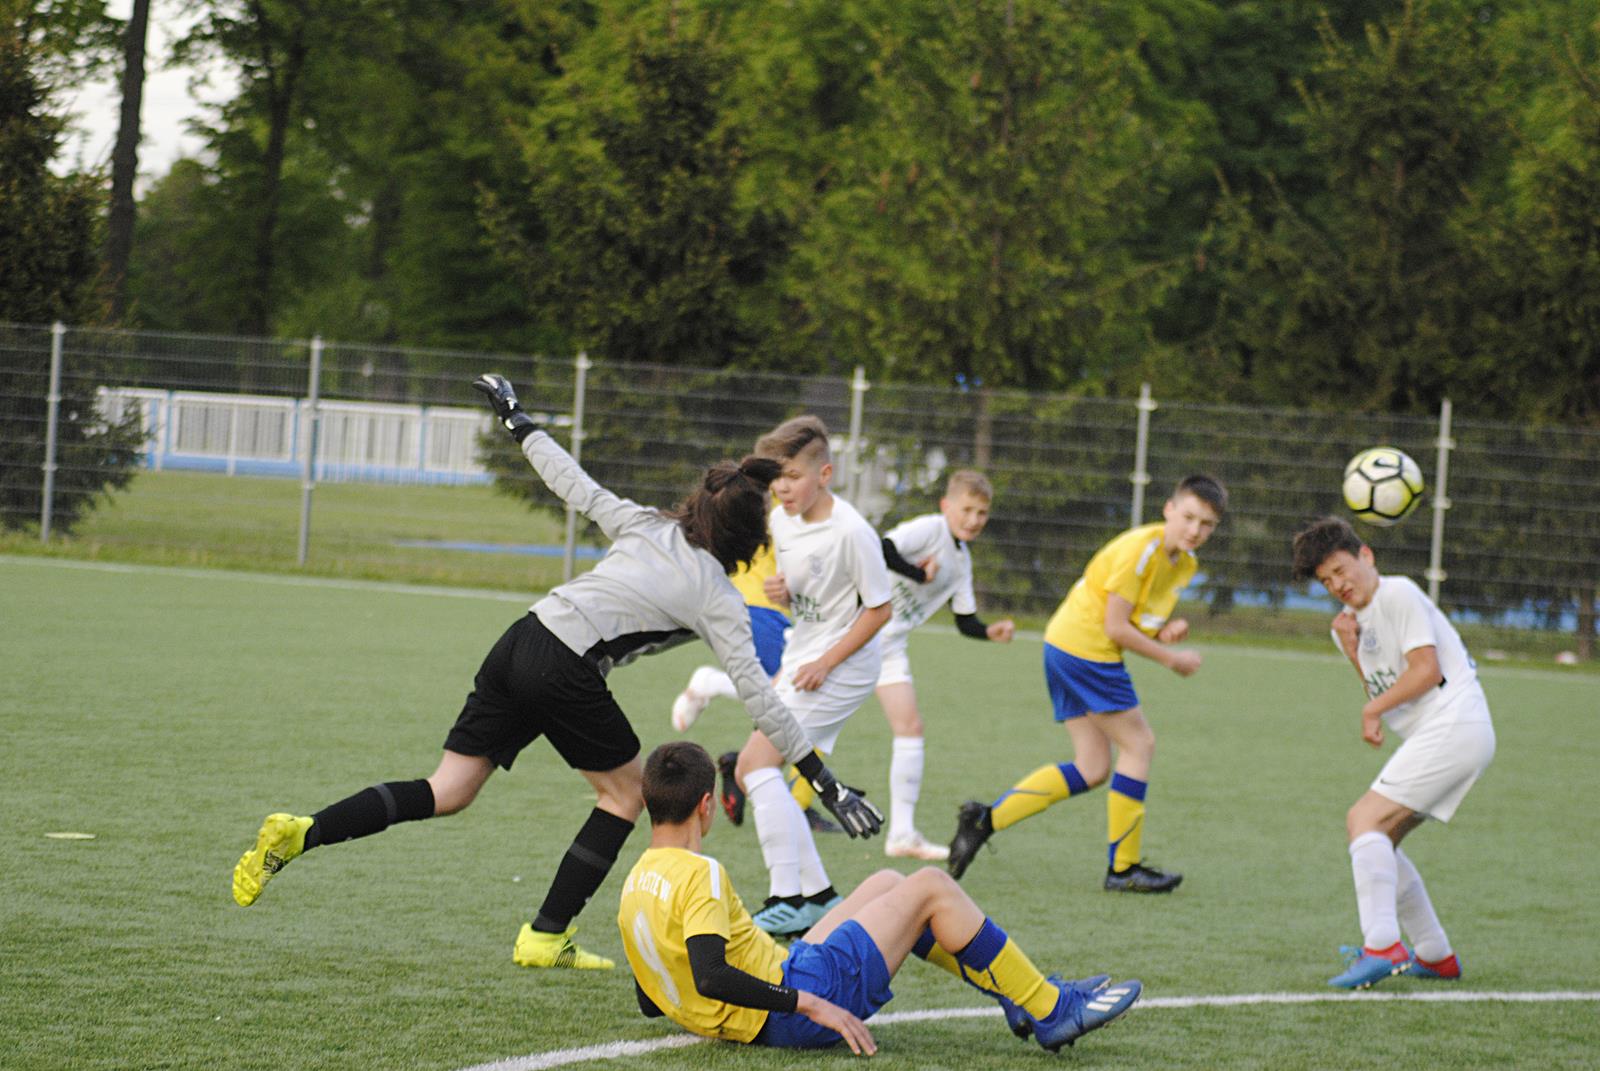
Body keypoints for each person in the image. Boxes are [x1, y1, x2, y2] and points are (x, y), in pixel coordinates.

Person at [230, 374, 881, 971]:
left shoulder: (645, 522)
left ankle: (305, 830)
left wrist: (518, 419)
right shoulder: (715, 593)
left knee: (449, 788)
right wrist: (827, 783)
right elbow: (762, 700)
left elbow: (572, 482)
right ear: (745, 535)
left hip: (521, 638)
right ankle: (545, 934)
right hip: (565, 665)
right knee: (627, 794)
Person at [617, 741, 1142, 1054]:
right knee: (932, 886)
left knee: (888, 883)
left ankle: (1017, 995)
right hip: (791, 1005)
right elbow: (711, 975)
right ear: (707, 806)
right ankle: (1050, 1009)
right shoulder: (699, 873)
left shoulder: (637, 880)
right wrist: (810, 1004)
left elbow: (649, 999)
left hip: (780, 980)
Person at [948, 475, 1228, 893]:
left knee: (1093, 767)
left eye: (1206, 524)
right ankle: (1124, 868)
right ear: (1169, 509)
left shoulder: (1182, 563)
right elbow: (1116, 627)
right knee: (1140, 745)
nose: (1195, 530)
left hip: (1065, 645)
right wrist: (1171, 659)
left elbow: (1135, 621)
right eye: (1188, 517)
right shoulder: (1141, 549)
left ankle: (984, 820)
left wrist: (1165, 632)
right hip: (1086, 650)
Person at [1291, 516, 1495, 989]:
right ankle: (1435, 953)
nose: (1337, 585)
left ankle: (1382, 945)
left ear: (1366, 556)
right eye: (1326, 581)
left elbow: (1425, 671)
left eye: (1341, 570)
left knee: (1362, 821)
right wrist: (1354, 653)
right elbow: (1381, 687)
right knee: (1383, 840)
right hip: (1446, 732)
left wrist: (1371, 713)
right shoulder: (1347, 627)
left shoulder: (1397, 593)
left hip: (1454, 722)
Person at [733, 415, 893, 935]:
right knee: (754, 769)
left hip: (841, 668)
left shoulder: (852, 532)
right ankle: (817, 895)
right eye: (776, 477)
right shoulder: (782, 519)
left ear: (824, 473)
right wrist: (786, 592)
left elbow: (879, 610)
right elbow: (810, 591)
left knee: (755, 765)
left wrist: (827, 663)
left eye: (793, 476)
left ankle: (791, 896)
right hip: (805, 653)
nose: (782, 487)